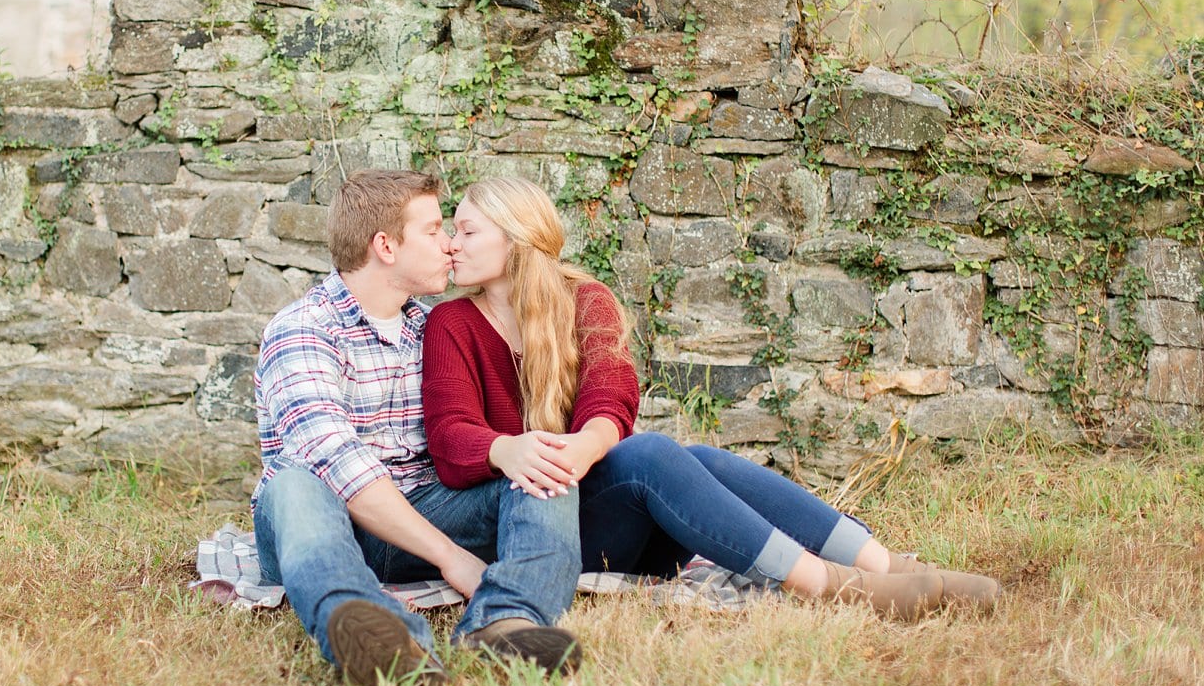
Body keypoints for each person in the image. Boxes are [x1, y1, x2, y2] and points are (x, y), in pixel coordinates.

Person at [422, 176, 1000, 622]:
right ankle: (831, 587)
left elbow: (612, 395)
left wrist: (583, 447)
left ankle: (889, 567)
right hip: (552, 532)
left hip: (628, 528)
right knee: (650, 456)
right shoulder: (451, 324)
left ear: (517, 237)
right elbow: (451, 440)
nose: (451, 244)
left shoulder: (584, 299)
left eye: (467, 230)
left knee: (694, 460)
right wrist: (510, 450)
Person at [252, 169, 584, 686]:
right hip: (322, 523)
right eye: (433, 231)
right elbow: (341, 467)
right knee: (294, 484)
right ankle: (379, 636)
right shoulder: (303, 330)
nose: (450, 244)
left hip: (422, 512)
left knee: (542, 470)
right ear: (386, 245)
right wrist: (451, 558)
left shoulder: (431, 327)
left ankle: (506, 623)